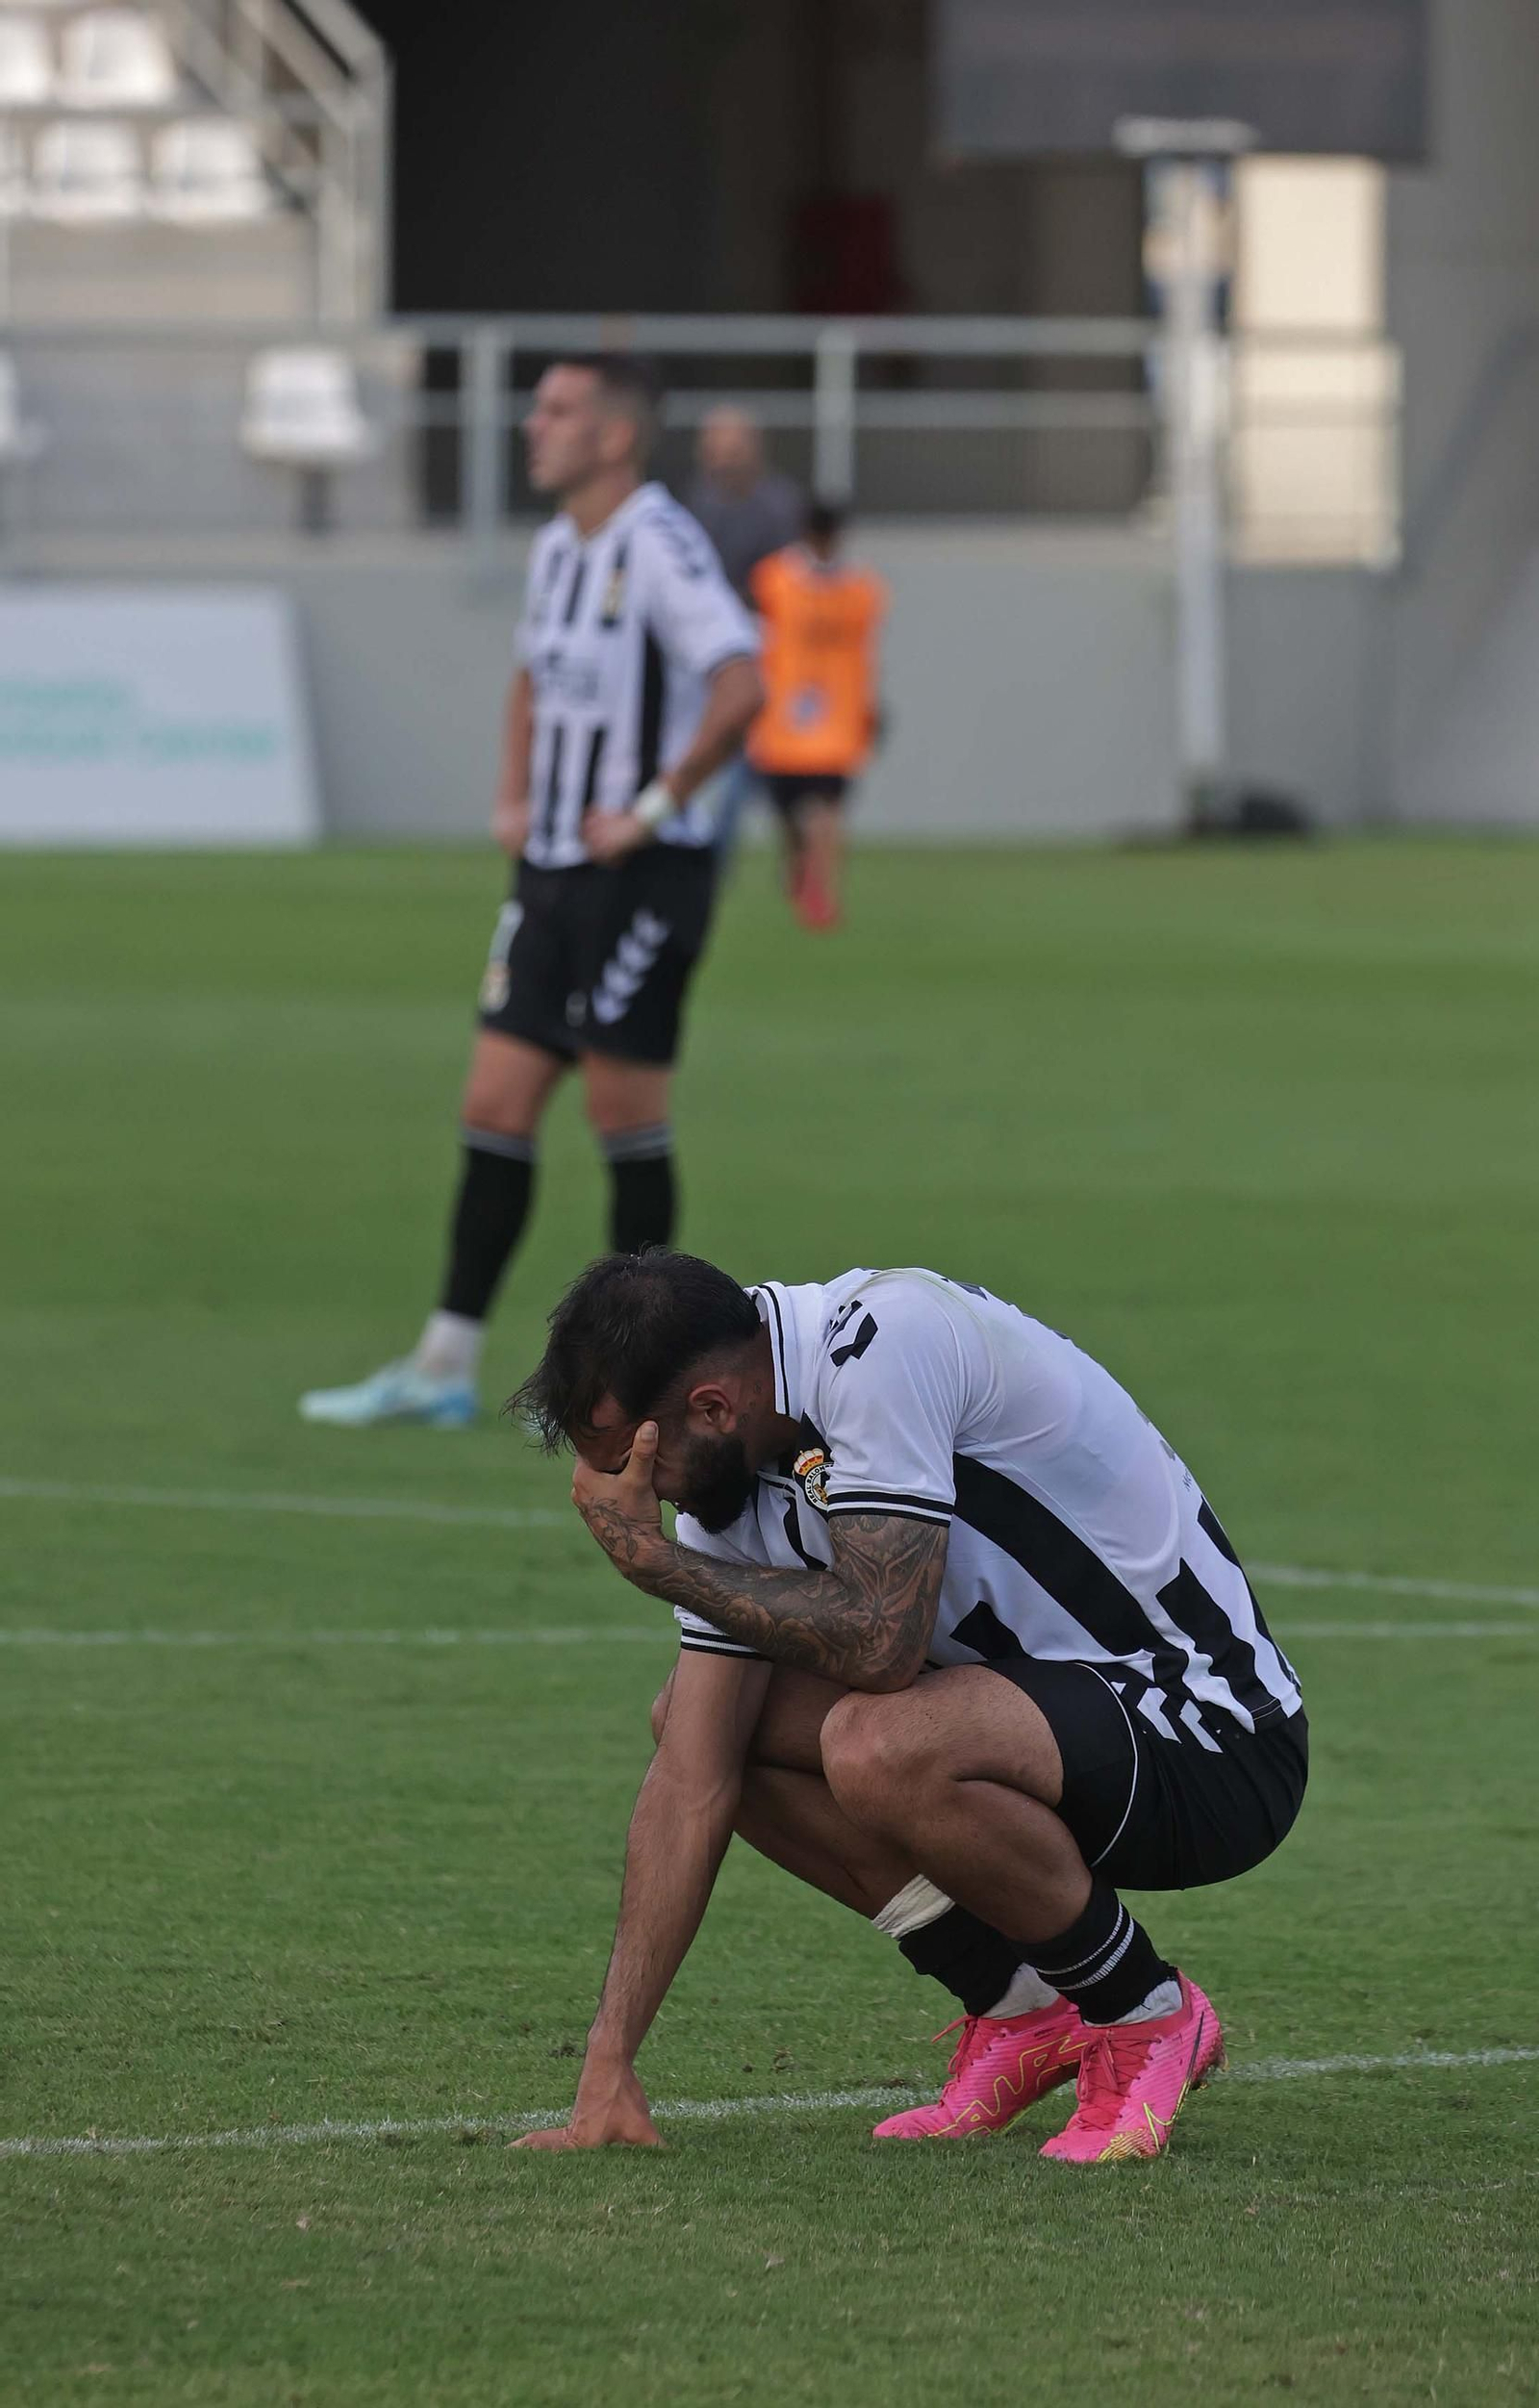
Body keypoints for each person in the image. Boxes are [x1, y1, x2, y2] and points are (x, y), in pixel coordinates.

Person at [509, 1252, 1307, 2163]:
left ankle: (1147, 2015)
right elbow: (692, 1778)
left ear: (712, 1409)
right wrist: (606, 2068)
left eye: (638, 1465)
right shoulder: (728, 1470)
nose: (637, 1498)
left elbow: (884, 1643)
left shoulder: (884, 1343)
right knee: (703, 1727)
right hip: (1041, 1737)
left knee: (876, 1741)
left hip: (1210, 1733)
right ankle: (1017, 2009)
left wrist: (656, 1567)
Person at [298, 361, 762, 1430]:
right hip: (549, 875)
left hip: (643, 876)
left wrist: (650, 806)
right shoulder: (559, 548)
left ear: (613, 437)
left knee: (620, 1114)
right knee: (494, 1106)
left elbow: (742, 685)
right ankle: (443, 1365)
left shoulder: (659, 543)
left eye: (555, 412)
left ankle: (650, 1378)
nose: (530, 428)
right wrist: (513, 792)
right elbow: (528, 679)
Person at [747, 502, 886, 930]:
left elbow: (868, 654)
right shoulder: (775, 581)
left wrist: (868, 706)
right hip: (784, 723)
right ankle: (800, 868)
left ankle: (822, 891)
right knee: (790, 816)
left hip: (837, 721)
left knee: (828, 807)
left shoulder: (861, 588)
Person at [685, 408, 803, 862]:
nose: (721, 461)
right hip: (712, 656)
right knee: (727, 763)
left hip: (768, 653)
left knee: (773, 766)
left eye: (731, 450)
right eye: (714, 450)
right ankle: (710, 859)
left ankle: (795, 853)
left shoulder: (779, 506)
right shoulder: (697, 505)